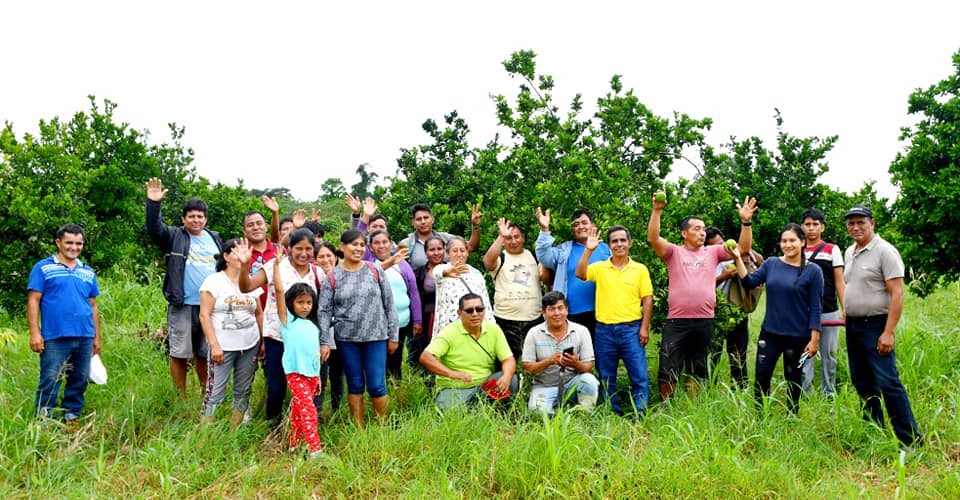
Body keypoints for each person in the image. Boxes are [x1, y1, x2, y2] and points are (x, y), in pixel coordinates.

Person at [647, 193, 757, 400]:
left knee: (698, 368)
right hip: (677, 321)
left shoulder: (712, 252)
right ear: (684, 233)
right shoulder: (674, 253)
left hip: (705, 320)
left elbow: (743, 249)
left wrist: (746, 222)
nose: (702, 232)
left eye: (703, 229)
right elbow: (653, 238)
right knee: (668, 365)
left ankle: (693, 405)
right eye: (697, 228)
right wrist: (657, 210)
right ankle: (665, 405)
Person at [842, 205, 921, 448]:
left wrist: (888, 332)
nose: (856, 227)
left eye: (861, 222)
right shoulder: (850, 252)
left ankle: (910, 441)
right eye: (851, 223)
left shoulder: (885, 251)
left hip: (876, 325)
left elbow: (897, 293)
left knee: (888, 382)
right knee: (862, 382)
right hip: (853, 326)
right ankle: (873, 434)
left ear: (872, 223)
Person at [145, 178, 223, 397]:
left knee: (205, 352)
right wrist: (153, 204)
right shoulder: (174, 236)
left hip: (210, 306)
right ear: (183, 218)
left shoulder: (215, 238)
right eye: (191, 216)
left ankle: (205, 394)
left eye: (200, 216)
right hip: (182, 303)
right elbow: (154, 229)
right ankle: (181, 396)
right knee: (180, 352)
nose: (196, 220)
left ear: (205, 219)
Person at [734, 223, 823, 414]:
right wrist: (737, 258)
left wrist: (814, 339)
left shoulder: (813, 271)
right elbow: (750, 282)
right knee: (762, 375)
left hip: (797, 335)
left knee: (793, 377)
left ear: (802, 242)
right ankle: (760, 415)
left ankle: (792, 415)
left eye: (792, 240)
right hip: (770, 333)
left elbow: (816, 307)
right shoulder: (771, 264)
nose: (787, 245)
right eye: (784, 241)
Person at [238, 228, 321, 426]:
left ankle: (303, 426)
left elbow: (321, 309)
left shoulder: (317, 273)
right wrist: (244, 264)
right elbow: (246, 287)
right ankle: (273, 425)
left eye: (308, 249)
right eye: (298, 248)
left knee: (307, 385)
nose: (303, 253)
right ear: (289, 248)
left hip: (304, 341)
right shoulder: (274, 266)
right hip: (277, 336)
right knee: (276, 386)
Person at [319, 229, 399, 428]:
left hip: (376, 337)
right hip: (347, 340)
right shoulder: (333, 276)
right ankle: (359, 429)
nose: (359, 248)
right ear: (342, 247)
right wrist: (324, 341)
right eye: (354, 244)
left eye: (362, 245)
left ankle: (383, 427)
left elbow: (389, 304)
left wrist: (393, 336)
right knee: (355, 384)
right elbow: (324, 311)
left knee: (377, 384)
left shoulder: (375, 270)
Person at [576, 226, 653, 416]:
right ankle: (612, 413)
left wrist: (644, 328)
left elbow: (647, 299)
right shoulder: (600, 268)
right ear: (609, 245)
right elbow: (580, 273)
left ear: (629, 243)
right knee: (606, 376)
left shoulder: (640, 269)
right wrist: (589, 250)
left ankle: (640, 413)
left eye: (622, 240)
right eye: (614, 241)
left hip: (631, 329)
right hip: (604, 331)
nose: (619, 244)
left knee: (639, 375)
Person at [28, 224, 101, 421]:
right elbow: (34, 300)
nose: (74, 247)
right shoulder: (43, 268)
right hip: (55, 336)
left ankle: (72, 416)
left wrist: (96, 337)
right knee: (50, 379)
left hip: (85, 336)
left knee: (79, 379)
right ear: (58, 243)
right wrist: (35, 333)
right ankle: (44, 420)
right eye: (69, 242)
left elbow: (93, 305)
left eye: (79, 243)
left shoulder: (87, 271)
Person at [198, 239, 263, 426]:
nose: (243, 255)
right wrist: (214, 345)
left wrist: (262, 342)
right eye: (237, 251)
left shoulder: (250, 281)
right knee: (215, 392)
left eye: (246, 251)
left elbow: (258, 313)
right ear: (226, 256)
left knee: (243, 390)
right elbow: (204, 315)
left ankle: (235, 430)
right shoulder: (214, 281)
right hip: (222, 347)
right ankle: (204, 433)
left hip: (250, 344)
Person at [420, 293, 519, 410]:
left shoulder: (493, 329)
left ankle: (499, 412)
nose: (475, 314)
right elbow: (426, 357)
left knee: (511, 379)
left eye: (479, 309)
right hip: (456, 387)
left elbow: (508, 359)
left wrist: (507, 376)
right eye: (469, 311)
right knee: (449, 411)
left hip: (485, 385)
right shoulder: (449, 332)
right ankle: (476, 408)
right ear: (459, 313)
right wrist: (452, 373)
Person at [273, 256, 324, 458]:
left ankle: (294, 444)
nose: (305, 306)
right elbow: (279, 291)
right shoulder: (288, 321)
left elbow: (314, 353)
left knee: (298, 410)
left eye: (309, 302)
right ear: (291, 303)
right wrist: (276, 267)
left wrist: (318, 377)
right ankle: (315, 450)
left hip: (312, 375)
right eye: (300, 302)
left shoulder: (313, 325)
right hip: (296, 373)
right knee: (309, 411)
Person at [535, 207, 611, 339]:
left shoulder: (607, 250)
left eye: (584, 223)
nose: (580, 226)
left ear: (593, 226)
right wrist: (545, 230)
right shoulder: (564, 250)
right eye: (576, 224)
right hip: (571, 313)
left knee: (599, 351)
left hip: (601, 313)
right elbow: (543, 255)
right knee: (572, 350)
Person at [522, 292, 600, 416]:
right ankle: (557, 415)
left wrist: (575, 363)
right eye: (551, 309)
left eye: (560, 308)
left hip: (571, 384)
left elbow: (588, 368)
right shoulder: (534, 333)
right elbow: (527, 368)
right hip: (544, 386)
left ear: (567, 310)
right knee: (537, 412)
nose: (557, 313)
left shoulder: (581, 331)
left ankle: (584, 414)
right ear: (543, 313)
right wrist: (549, 361)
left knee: (589, 380)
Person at [706, 227, 762, 389]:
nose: (720, 247)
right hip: (714, 312)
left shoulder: (733, 255)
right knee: (713, 353)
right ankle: (709, 387)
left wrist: (746, 250)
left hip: (736, 311)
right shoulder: (706, 262)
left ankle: (740, 388)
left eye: (721, 243)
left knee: (738, 352)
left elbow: (760, 262)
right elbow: (701, 286)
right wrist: (724, 276)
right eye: (715, 246)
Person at [800, 208, 846, 396]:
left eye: (815, 224)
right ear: (802, 227)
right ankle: (805, 393)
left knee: (829, 354)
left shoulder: (832, 249)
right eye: (807, 224)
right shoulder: (796, 249)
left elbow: (839, 281)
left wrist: (845, 308)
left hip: (828, 309)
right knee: (805, 353)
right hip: (803, 311)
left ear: (822, 227)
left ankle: (829, 393)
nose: (811, 228)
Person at [483, 218, 542, 359]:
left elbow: (546, 278)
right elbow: (488, 262)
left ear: (523, 238)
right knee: (506, 360)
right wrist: (501, 236)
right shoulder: (500, 257)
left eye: (517, 237)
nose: (513, 241)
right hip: (505, 320)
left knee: (534, 360)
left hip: (534, 319)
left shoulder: (533, 255)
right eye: (509, 238)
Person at [369, 230, 422, 379]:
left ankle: (396, 387)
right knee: (379, 361)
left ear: (391, 244)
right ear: (371, 247)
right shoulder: (368, 265)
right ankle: (379, 387)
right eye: (376, 243)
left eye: (384, 242)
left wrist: (417, 320)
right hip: (377, 325)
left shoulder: (403, 265)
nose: (381, 246)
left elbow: (413, 292)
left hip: (401, 322)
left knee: (396, 359)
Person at [431, 237, 494, 338]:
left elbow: (485, 301)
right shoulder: (442, 269)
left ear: (467, 252)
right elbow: (436, 274)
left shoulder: (476, 273)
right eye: (455, 251)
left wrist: (490, 323)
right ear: (448, 253)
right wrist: (447, 272)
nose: (459, 254)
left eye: (462, 250)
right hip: (450, 325)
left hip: (474, 323)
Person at [403, 203, 482, 270]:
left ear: (432, 219)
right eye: (419, 219)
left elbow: (472, 247)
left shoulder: (446, 238)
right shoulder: (407, 244)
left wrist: (475, 226)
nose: (423, 222)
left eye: (426, 218)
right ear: (413, 223)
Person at [315, 241, 345, 412]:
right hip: (320, 336)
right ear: (315, 259)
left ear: (336, 257)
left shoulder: (344, 275)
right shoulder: (313, 278)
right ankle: (316, 414)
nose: (325, 260)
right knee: (320, 375)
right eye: (321, 256)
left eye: (329, 256)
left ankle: (337, 412)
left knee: (338, 375)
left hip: (340, 334)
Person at [411, 236, 445, 374]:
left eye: (439, 249)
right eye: (432, 250)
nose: (436, 253)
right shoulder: (419, 273)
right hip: (426, 320)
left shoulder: (452, 269)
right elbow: (414, 297)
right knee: (424, 353)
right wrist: (417, 321)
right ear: (426, 253)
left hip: (446, 319)